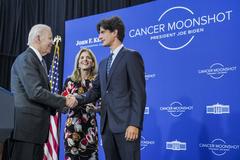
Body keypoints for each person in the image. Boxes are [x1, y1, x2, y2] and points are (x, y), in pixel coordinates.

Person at [74, 16, 146, 160]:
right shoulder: (103, 63)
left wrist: (134, 124)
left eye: (102, 32)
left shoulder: (131, 56)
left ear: (115, 32)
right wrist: (77, 99)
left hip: (126, 127)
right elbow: (95, 91)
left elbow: (139, 93)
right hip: (107, 127)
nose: (99, 37)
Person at [9, 24, 77, 160]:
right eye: (50, 38)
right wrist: (64, 101)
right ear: (38, 38)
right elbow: (35, 92)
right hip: (26, 130)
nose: (52, 42)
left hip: (34, 130)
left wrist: (62, 104)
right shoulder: (27, 58)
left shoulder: (39, 61)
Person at [61, 48, 99, 160]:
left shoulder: (97, 81)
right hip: (71, 128)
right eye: (82, 58)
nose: (85, 60)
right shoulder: (69, 81)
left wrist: (96, 109)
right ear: (78, 63)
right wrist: (66, 103)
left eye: (88, 57)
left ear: (92, 63)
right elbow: (62, 106)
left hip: (90, 130)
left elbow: (102, 104)